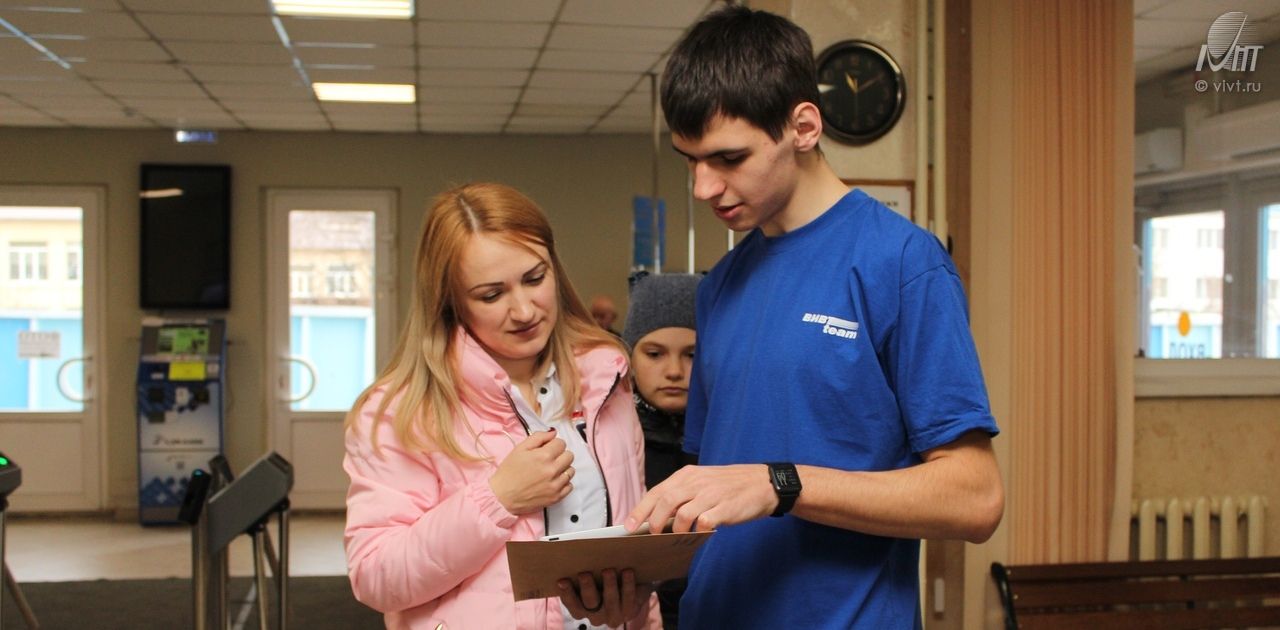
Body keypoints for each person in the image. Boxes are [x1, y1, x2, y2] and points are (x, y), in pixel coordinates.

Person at [623, 7, 1005, 629]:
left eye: (728, 158)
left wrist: (782, 484)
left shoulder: (901, 263)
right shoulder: (720, 286)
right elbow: (711, 499)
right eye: (690, 159)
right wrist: (625, 586)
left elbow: (976, 497)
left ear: (803, 127)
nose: (702, 188)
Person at [343, 182, 661, 629]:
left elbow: (634, 545)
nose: (525, 311)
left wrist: (633, 606)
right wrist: (497, 499)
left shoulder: (607, 378)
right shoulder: (401, 411)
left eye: (535, 279)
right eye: (491, 295)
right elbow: (376, 576)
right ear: (450, 302)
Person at [620, 271, 701, 629]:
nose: (673, 371)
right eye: (654, 354)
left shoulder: (732, 440)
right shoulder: (608, 442)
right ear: (630, 357)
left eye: (692, 354)